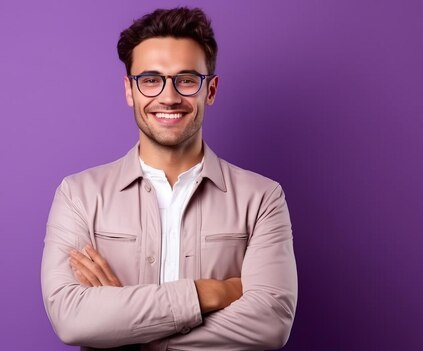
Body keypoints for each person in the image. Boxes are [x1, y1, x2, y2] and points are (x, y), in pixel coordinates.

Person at [41, 7, 297, 351]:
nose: (169, 96)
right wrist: (211, 293)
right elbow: (71, 319)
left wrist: (126, 328)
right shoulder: (78, 196)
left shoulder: (263, 198)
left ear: (211, 90)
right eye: (150, 80)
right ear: (129, 90)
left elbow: (270, 324)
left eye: (187, 80)